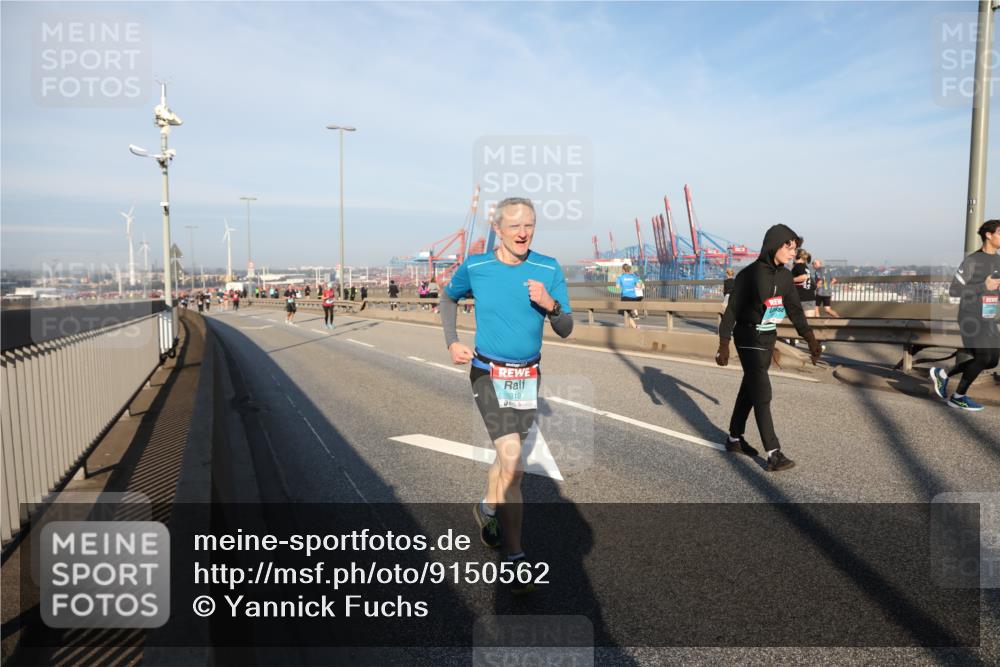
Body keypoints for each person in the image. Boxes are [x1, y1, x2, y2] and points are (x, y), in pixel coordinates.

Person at [439, 196, 573, 594]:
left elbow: (566, 327)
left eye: (529, 224)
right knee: (513, 459)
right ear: (496, 229)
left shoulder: (547, 268)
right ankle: (515, 560)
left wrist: (550, 305)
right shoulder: (477, 266)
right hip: (487, 373)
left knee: (505, 458)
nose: (523, 232)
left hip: (527, 378)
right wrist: (452, 341)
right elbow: (448, 297)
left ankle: (486, 508)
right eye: (514, 225)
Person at [716, 224, 822, 471]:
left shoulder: (785, 276)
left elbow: (795, 310)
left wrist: (811, 339)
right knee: (762, 391)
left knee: (750, 387)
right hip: (747, 336)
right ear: (774, 244)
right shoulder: (749, 275)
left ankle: (734, 438)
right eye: (789, 246)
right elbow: (731, 311)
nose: (793, 252)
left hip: (768, 336)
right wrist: (723, 344)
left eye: (795, 248)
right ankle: (773, 453)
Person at [930, 219, 1000, 411]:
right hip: (971, 316)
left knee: (993, 359)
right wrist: (982, 286)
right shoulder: (972, 261)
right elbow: (954, 290)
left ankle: (942, 374)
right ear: (989, 235)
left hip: (989, 316)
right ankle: (958, 397)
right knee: (984, 356)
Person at [615, 264, 643, 329]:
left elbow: (617, 287)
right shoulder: (633, 276)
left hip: (625, 297)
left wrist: (621, 283)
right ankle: (632, 327)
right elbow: (639, 286)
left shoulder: (620, 277)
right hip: (633, 297)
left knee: (625, 313)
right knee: (628, 313)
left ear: (623, 269)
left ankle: (635, 327)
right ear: (629, 269)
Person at [791, 249, 817, 317]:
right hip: (810, 297)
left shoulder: (798, 266)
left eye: (794, 254)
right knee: (809, 323)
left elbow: (804, 277)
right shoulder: (805, 267)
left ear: (797, 256)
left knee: (799, 323)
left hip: (801, 298)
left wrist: (789, 280)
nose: (792, 255)